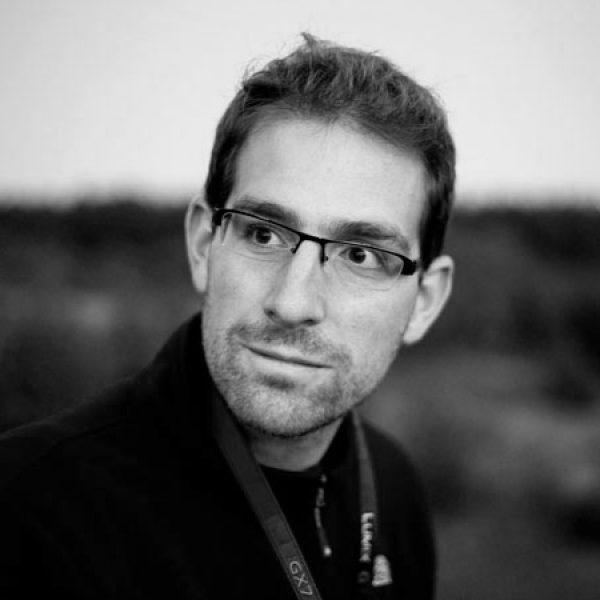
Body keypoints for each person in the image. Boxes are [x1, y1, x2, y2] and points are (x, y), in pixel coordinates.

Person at [0, 34, 455, 599]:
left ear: (425, 301)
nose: (293, 303)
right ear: (202, 245)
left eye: (360, 255)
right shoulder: (27, 511)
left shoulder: (395, 488)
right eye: (263, 233)